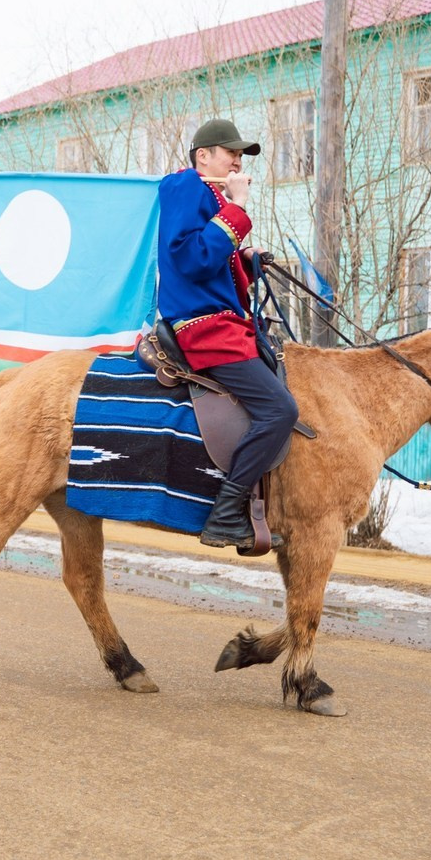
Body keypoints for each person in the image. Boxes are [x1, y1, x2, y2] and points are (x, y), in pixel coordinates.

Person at [157, 118, 299, 551]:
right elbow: (191, 259)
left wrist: (247, 260)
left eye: (240, 154)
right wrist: (237, 210)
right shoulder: (186, 187)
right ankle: (224, 514)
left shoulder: (209, 195)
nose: (237, 160)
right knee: (280, 412)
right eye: (229, 152)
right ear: (203, 157)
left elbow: (213, 261)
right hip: (205, 330)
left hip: (221, 324)